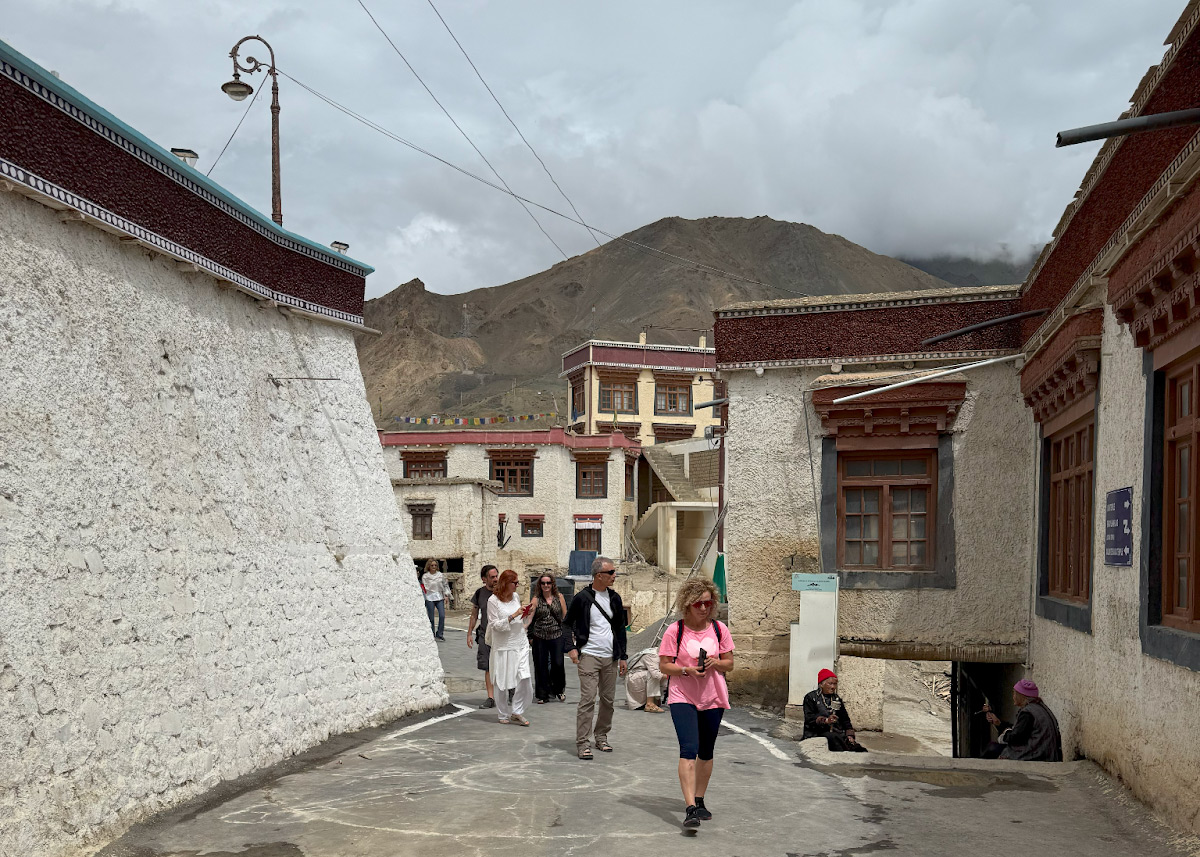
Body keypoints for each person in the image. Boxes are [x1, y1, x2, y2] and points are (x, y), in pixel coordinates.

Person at [658, 579, 735, 829]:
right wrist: (685, 670)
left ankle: (700, 799)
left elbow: (729, 663)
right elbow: (664, 665)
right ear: (688, 604)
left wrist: (715, 663)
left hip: (713, 696)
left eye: (708, 603)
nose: (704, 608)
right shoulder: (675, 630)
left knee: (707, 751)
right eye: (698, 603)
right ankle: (690, 807)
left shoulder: (719, 629)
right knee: (688, 748)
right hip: (683, 695)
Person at [564, 556, 628, 760]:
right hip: (589, 655)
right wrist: (571, 648)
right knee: (588, 699)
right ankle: (583, 742)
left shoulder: (615, 598)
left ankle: (601, 736)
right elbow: (566, 624)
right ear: (598, 575)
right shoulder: (582, 598)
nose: (614, 576)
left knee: (608, 701)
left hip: (610, 657)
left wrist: (624, 656)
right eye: (611, 572)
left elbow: (620, 629)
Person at [486, 569, 535, 726]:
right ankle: (502, 713)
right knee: (502, 681)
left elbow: (519, 618)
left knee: (525, 678)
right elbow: (494, 625)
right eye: (514, 582)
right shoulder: (493, 601)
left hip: (520, 643)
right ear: (505, 583)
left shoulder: (515, 596)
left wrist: (526, 612)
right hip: (503, 646)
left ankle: (517, 710)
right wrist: (513, 615)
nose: (517, 585)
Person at [984, 678, 1063, 762]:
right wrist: (999, 723)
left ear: (1022, 696)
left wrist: (1004, 736)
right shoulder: (1039, 707)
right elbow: (1021, 730)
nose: (1013, 697)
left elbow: (1017, 738)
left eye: (1015, 694)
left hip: (1038, 755)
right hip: (1046, 753)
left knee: (992, 749)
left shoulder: (1027, 713)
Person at [802, 669, 868, 753]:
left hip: (836, 732)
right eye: (830, 684)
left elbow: (845, 719)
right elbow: (809, 718)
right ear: (821, 684)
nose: (833, 687)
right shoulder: (811, 698)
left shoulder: (836, 699)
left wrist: (850, 735)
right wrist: (826, 721)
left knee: (858, 748)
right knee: (833, 737)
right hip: (816, 732)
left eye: (835, 684)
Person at [527, 574, 568, 704]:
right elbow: (530, 618)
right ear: (540, 585)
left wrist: (569, 634)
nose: (546, 585)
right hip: (540, 635)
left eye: (548, 583)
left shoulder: (559, 597)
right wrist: (524, 629)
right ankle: (542, 694)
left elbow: (565, 617)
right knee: (541, 665)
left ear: (552, 584)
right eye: (543, 583)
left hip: (556, 635)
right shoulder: (536, 599)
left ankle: (559, 689)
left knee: (558, 663)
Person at [466, 565, 499, 709]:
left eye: (497, 576)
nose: (496, 579)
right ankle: (490, 697)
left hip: (501, 636)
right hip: (485, 635)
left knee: (505, 665)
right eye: (492, 577)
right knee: (488, 667)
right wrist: (469, 633)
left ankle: (510, 691)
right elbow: (474, 615)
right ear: (484, 579)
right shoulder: (480, 593)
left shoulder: (503, 592)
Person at [625, 647, 665, 713]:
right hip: (634, 678)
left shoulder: (659, 653)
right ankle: (650, 704)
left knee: (665, 674)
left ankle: (655, 699)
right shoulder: (652, 655)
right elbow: (655, 674)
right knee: (654, 674)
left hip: (640, 677)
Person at [419, 559, 449, 641]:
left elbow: (445, 585)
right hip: (429, 597)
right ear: (429, 566)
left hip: (439, 597)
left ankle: (439, 634)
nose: (434, 567)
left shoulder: (440, 575)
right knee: (431, 617)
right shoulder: (425, 576)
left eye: (435, 565)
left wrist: (446, 595)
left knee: (442, 615)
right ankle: (431, 634)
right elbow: (425, 588)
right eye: (432, 565)